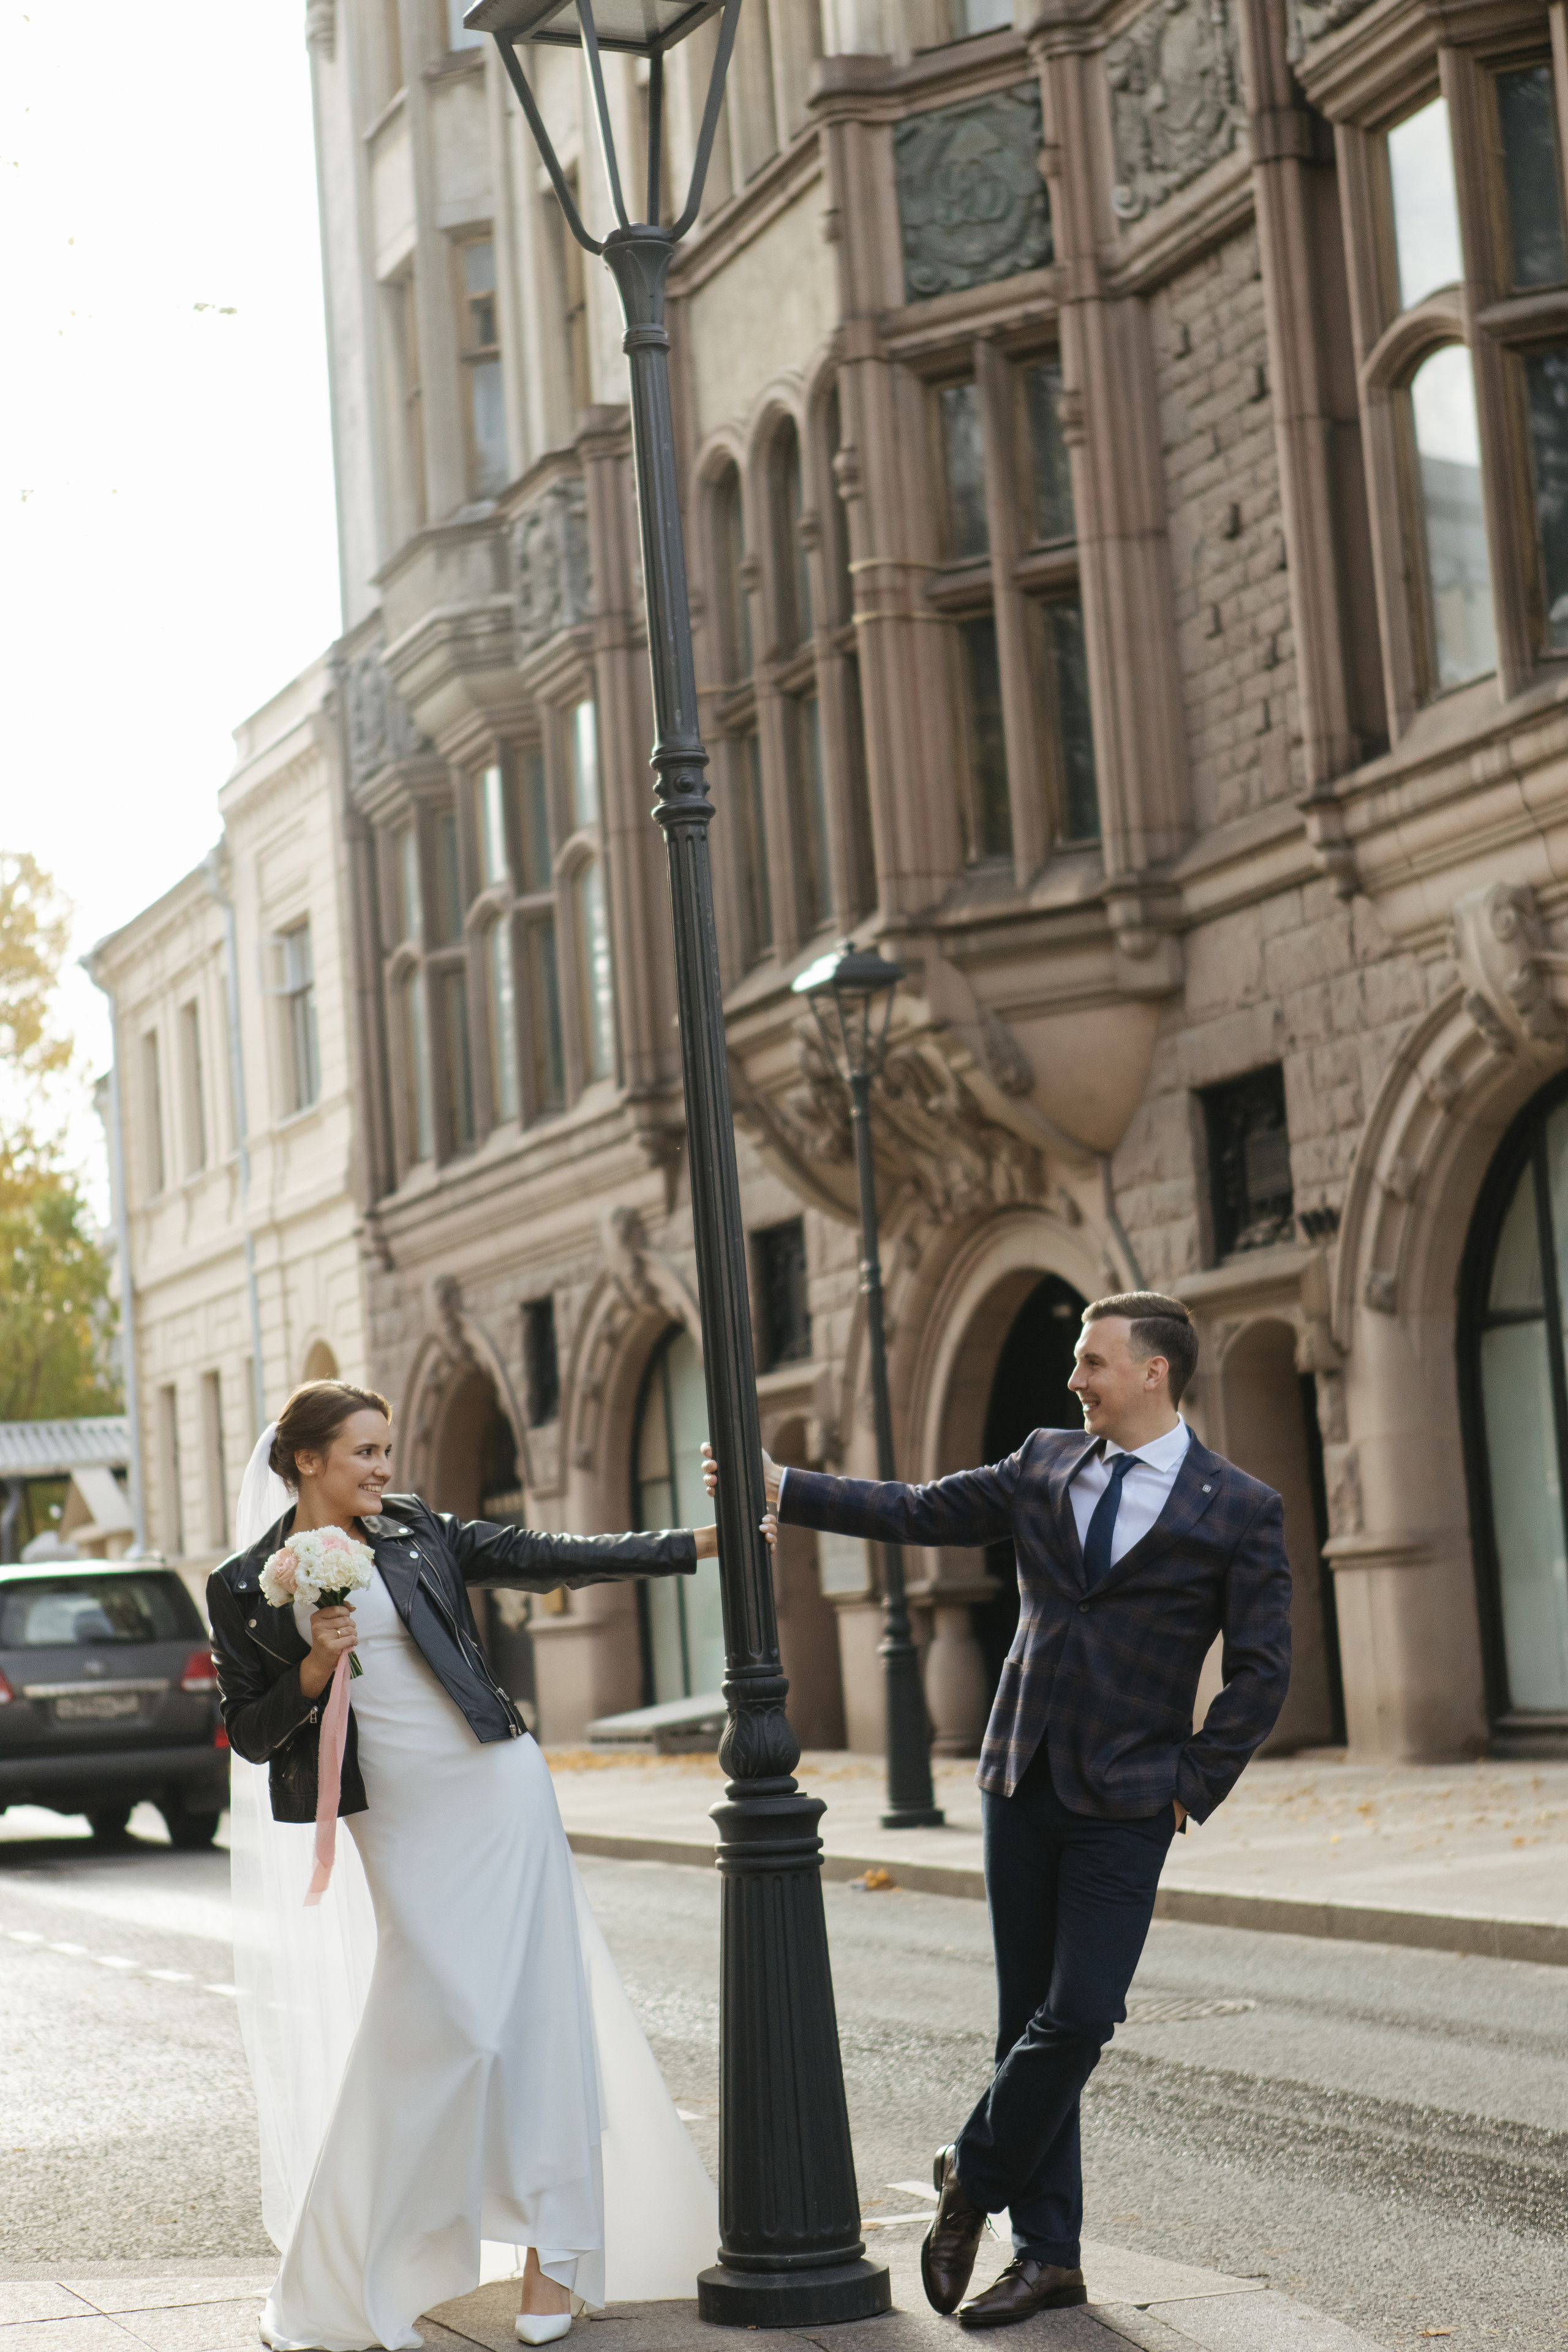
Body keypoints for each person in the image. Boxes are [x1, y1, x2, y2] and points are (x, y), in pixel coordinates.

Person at [704, 1291, 1291, 2331]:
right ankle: (1049, 2257)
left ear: (1155, 1372)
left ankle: (970, 2175)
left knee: (1082, 2014)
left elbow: (1261, 1670)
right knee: (1026, 2022)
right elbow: (920, 1510)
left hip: (1129, 1797)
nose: (1076, 1379)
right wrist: (784, 1487)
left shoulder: (1239, 1506)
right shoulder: (1045, 1460)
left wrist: (1191, 1783)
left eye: (1093, 1362)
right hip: (1018, 1779)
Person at [211, 1378, 725, 2352]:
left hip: (496, 1783)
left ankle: (551, 2256)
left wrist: (696, 1545)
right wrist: (314, 1668)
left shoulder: (415, 1530)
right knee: (449, 2027)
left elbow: (545, 1555)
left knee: (533, 2014)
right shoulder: (245, 1582)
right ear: (308, 1459)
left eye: (386, 1448)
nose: (384, 1467)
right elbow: (248, 1731)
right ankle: (359, 2267)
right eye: (364, 1451)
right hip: (395, 1815)